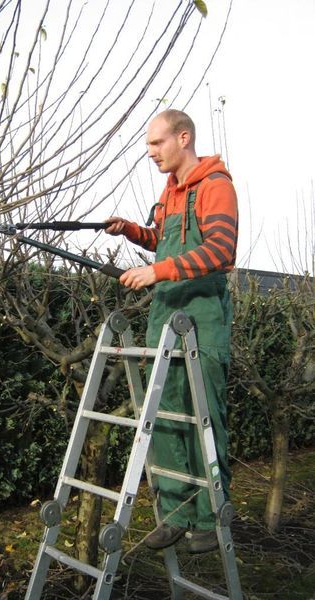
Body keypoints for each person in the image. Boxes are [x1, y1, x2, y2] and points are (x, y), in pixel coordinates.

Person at [105, 109, 238, 554]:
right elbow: (161, 238)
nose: (151, 153)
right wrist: (131, 232)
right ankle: (176, 515)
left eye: (157, 144)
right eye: (148, 146)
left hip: (203, 318)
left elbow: (221, 250)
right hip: (165, 315)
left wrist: (156, 270)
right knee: (161, 414)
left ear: (183, 138)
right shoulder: (169, 192)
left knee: (204, 416)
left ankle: (210, 516)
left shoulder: (215, 185)